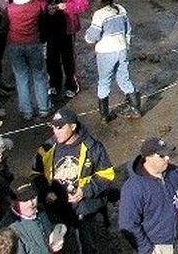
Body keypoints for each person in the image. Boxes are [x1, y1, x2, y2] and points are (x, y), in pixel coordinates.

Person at [33, 107, 117, 254]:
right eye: (53, 127)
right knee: (57, 245)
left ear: (72, 126)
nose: (55, 132)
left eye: (60, 128)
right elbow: (35, 174)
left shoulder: (93, 147)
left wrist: (84, 191)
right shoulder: (46, 148)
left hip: (84, 207)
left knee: (87, 245)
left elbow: (107, 176)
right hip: (57, 207)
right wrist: (46, 192)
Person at [119, 136, 178, 254]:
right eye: (162, 156)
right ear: (148, 157)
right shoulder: (133, 188)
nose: (167, 158)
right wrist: (147, 249)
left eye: (168, 154)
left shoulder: (174, 172)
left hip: (176, 240)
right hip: (155, 246)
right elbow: (128, 224)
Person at [84, 0, 142, 121]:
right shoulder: (121, 9)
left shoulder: (99, 14)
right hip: (122, 49)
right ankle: (136, 109)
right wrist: (126, 44)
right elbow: (128, 30)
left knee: (104, 81)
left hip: (106, 52)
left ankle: (105, 115)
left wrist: (87, 38)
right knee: (124, 78)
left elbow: (92, 37)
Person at [40, 0, 88, 100]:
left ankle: (71, 85)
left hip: (67, 28)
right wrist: (46, 8)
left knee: (68, 59)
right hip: (50, 27)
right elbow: (38, 1)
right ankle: (54, 84)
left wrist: (67, 6)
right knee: (51, 58)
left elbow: (83, 5)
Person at [7, 0, 50, 121]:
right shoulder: (38, 6)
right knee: (39, 76)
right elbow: (45, 17)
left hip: (15, 45)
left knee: (21, 78)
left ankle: (27, 111)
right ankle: (43, 108)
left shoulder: (10, 9)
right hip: (34, 44)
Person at [7, 181, 60, 254]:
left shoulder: (42, 211)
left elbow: (57, 223)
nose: (31, 203)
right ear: (12, 202)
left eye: (33, 197)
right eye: (25, 200)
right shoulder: (9, 230)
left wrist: (60, 231)